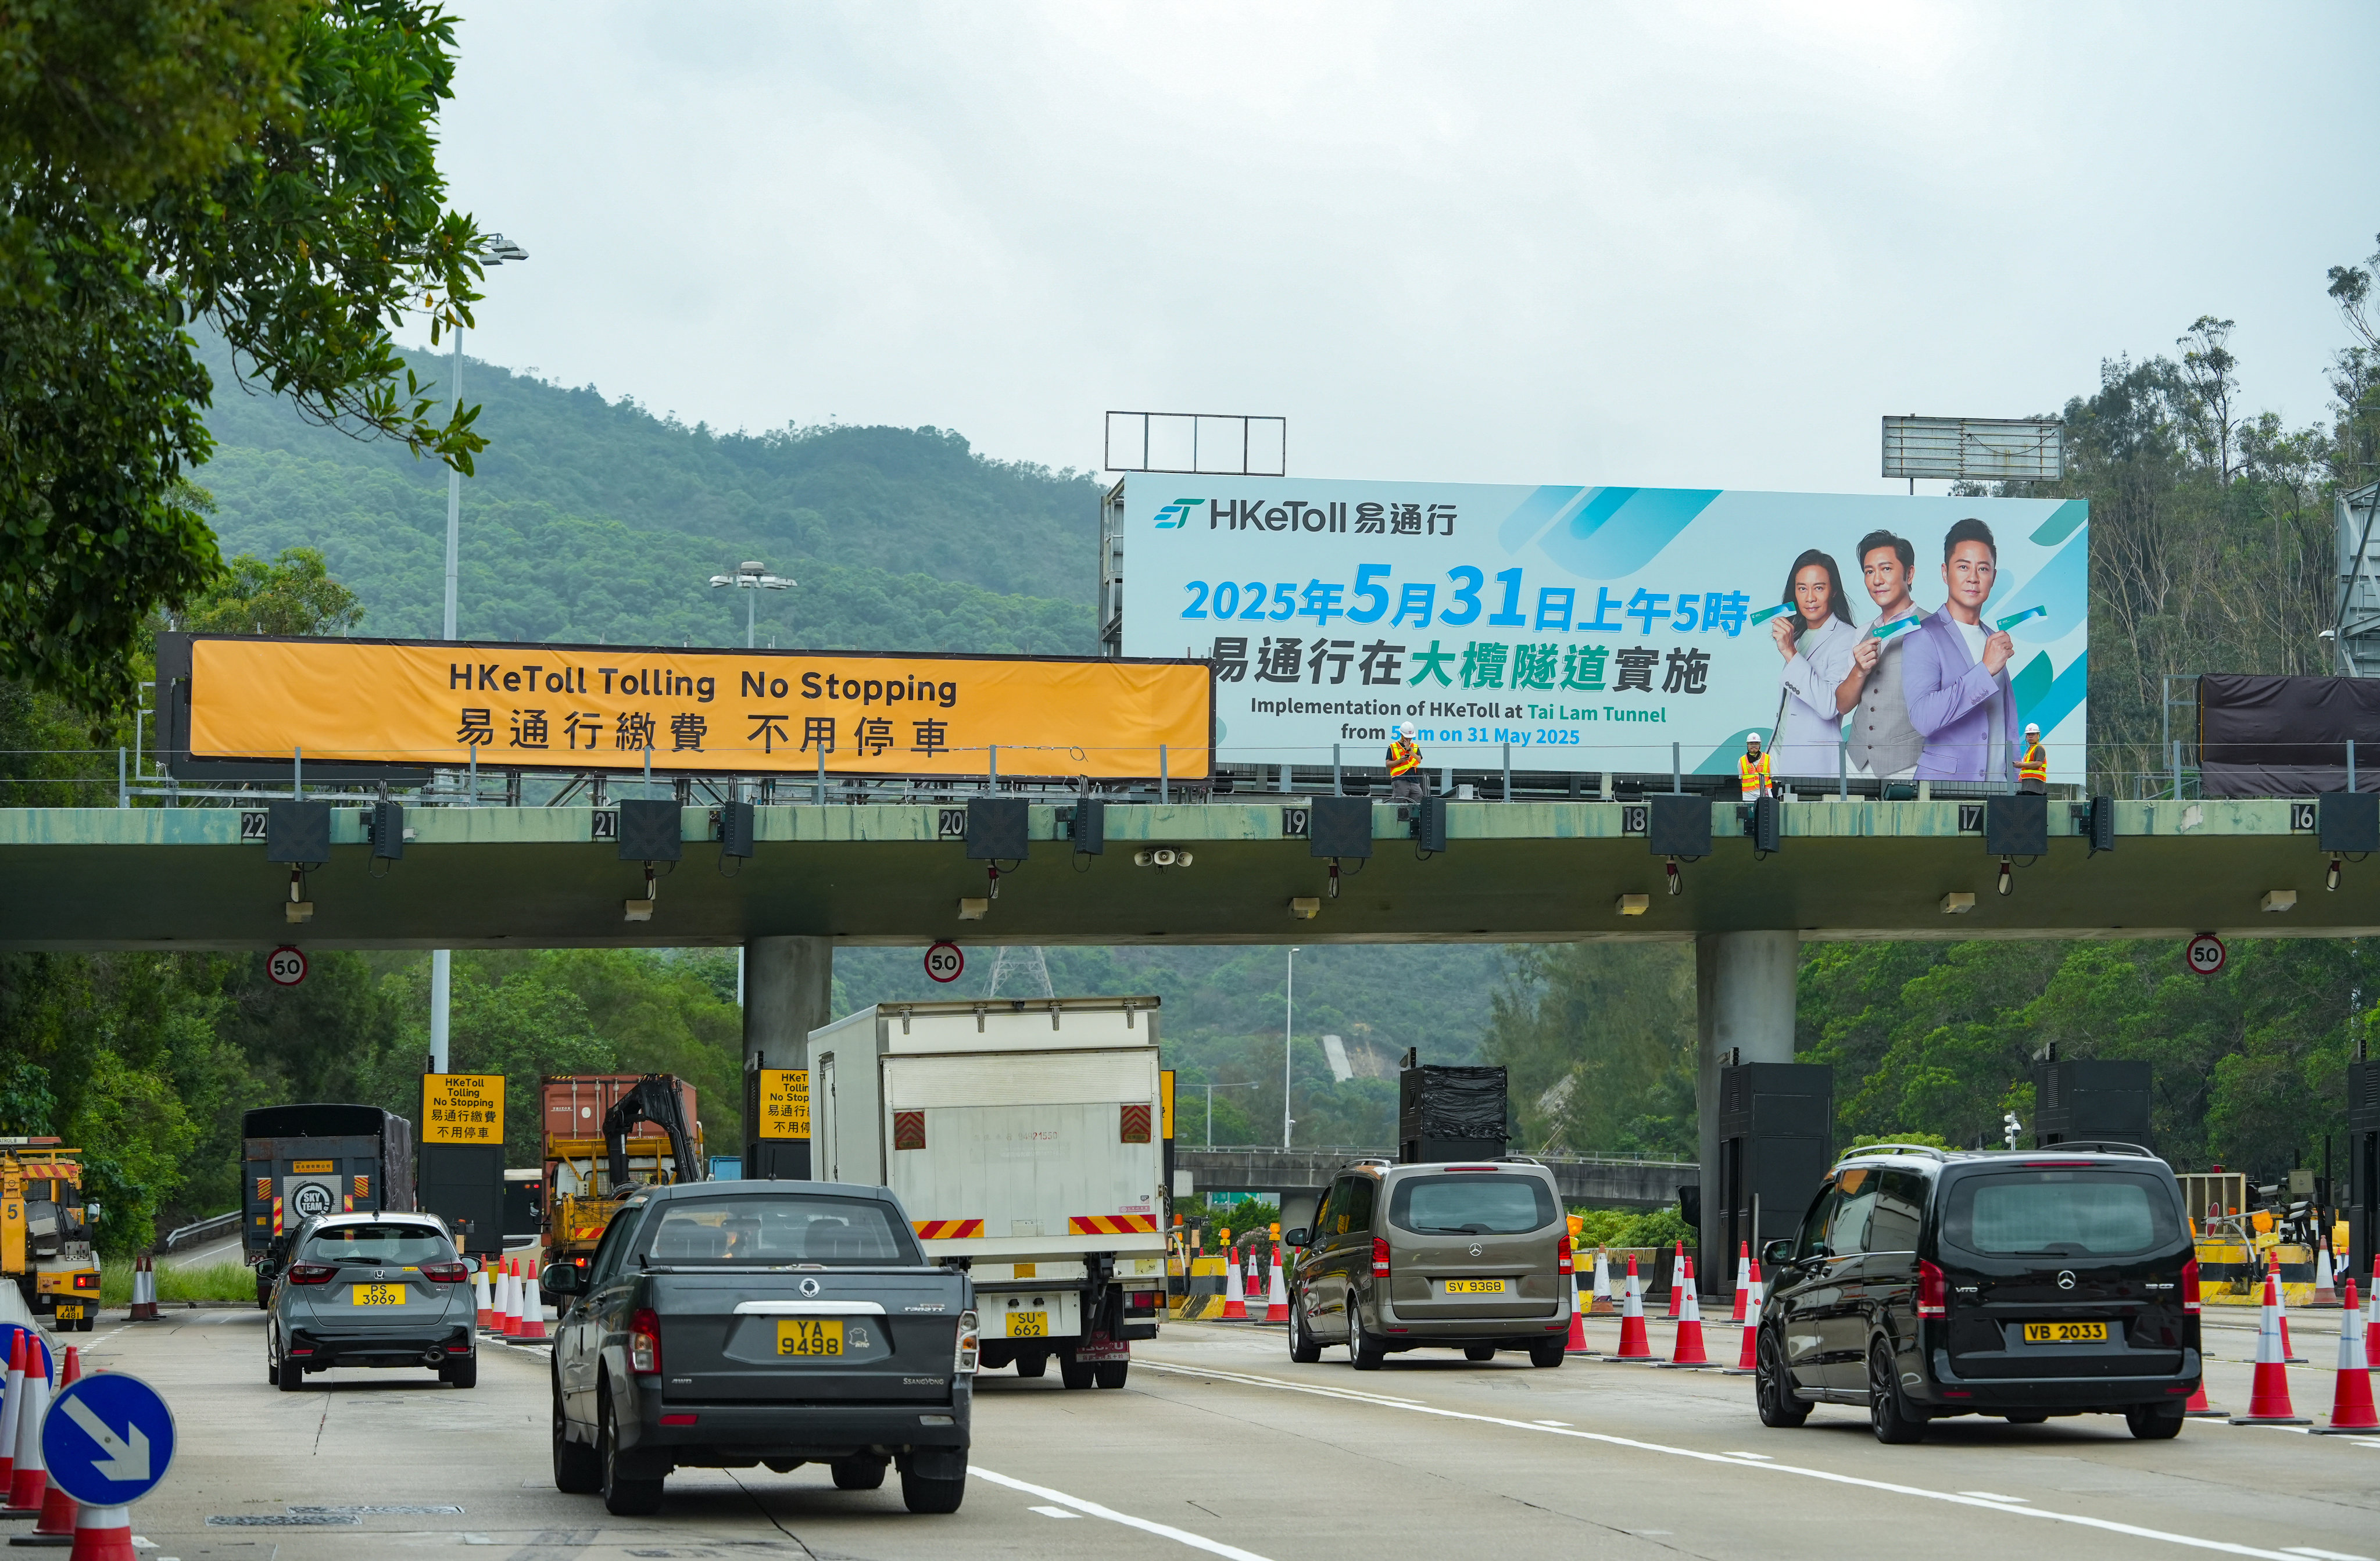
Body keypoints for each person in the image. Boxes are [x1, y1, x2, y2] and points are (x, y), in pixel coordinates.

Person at [1902, 517, 2020, 783]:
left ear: (1994, 577)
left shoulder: (1993, 638)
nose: (1973, 578)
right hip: (1942, 793)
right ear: (1945, 573)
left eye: (1983, 569)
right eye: (1963, 567)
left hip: (2000, 794)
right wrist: (1985, 670)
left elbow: (2006, 725)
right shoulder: (1923, 635)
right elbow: (1922, 718)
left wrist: (2018, 785)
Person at [1834, 529, 1928, 782]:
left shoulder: (1935, 628)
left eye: (1886, 569)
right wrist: (1859, 671)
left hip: (1909, 764)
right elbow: (1842, 704)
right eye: (1869, 571)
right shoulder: (1863, 631)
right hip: (1855, 762)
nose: (1877, 580)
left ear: (1909, 574)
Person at [1766, 548, 1858, 779]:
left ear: (1833, 591)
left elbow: (1830, 706)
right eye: (1802, 588)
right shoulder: (1798, 635)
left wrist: (1790, 652)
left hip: (1813, 761)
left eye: (1819, 588)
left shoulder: (1848, 637)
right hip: (1777, 753)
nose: (1810, 598)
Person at [1387, 722, 1426, 802]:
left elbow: (1419, 760)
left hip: (1414, 780)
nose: (1409, 739)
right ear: (1401, 734)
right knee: (1400, 806)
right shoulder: (1393, 746)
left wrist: (1409, 749)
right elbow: (1388, 764)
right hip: (1399, 779)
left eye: (1411, 737)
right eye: (1407, 737)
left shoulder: (1415, 747)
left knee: (1419, 802)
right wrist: (1400, 761)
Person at [1738, 734, 1774, 800]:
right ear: (1748, 745)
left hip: (1765, 791)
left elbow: (1771, 776)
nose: (1754, 746)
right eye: (1751, 744)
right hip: (1749, 794)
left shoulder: (1768, 758)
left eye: (1756, 744)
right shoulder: (1741, 760)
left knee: (1768, 809)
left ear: (1760, 745)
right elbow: (1741, 778)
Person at [2017, 722, 2046, 794]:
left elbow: (2039, 763)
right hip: (2028, 785)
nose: (2030, 736)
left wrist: (2022, 765)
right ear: (2026, 737)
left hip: (2035, 786)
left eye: (2033, 734)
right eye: (2028, 734)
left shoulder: (2039, 748)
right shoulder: (2030, 749)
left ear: (2038, 736)